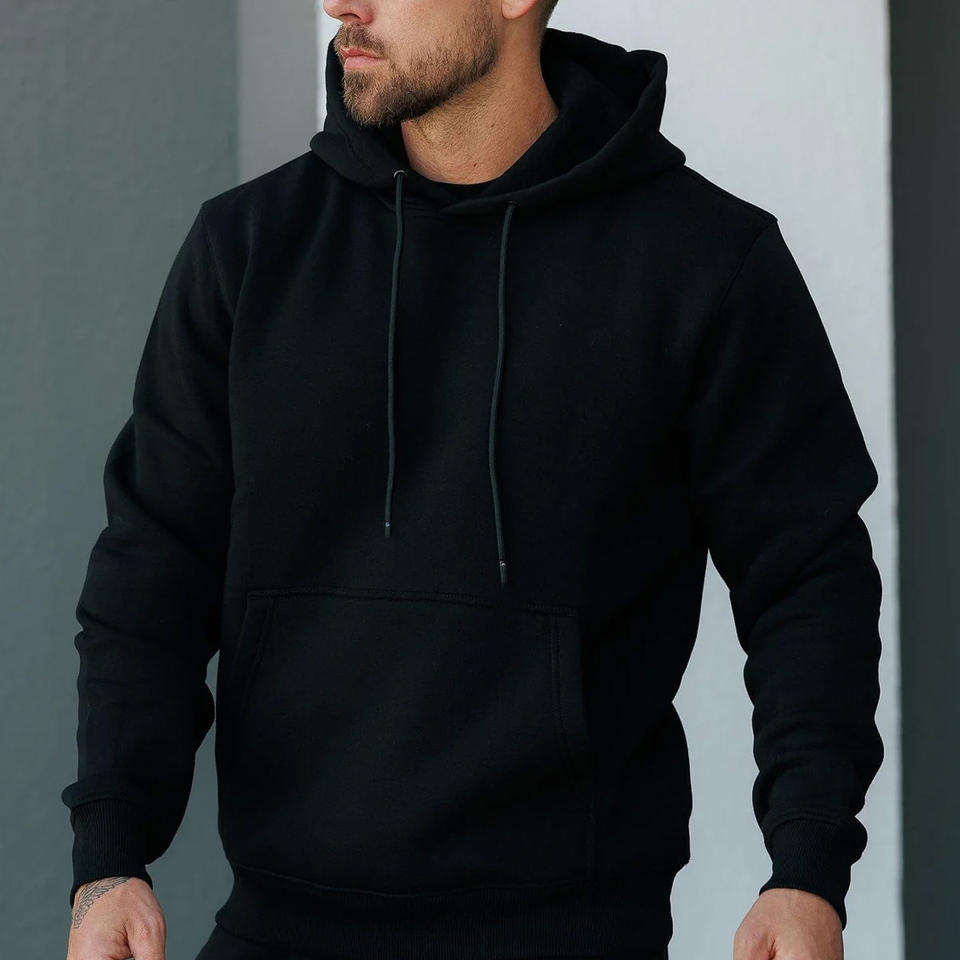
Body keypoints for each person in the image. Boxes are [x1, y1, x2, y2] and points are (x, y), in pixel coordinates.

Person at [61, 2, 884, 959]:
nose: (340, 3)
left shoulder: (704, 262)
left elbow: (807, 579)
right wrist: (111, 854)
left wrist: (806, 870)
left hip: (570, 937)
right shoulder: (248, 250)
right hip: (278, 928)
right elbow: (151, 569)